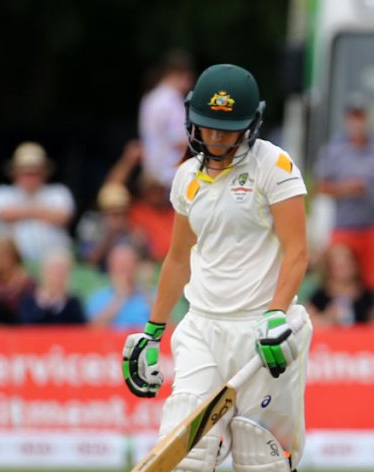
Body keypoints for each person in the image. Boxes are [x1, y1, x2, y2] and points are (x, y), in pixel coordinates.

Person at [121, 64, 311, 472]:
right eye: (208, 127)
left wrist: (277, 314)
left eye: (228, 128)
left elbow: (297, 251)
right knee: (185, 452)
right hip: (202, 328)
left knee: (263, 459)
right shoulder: (186, 176)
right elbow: (177, 258)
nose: (216, 137)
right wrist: (152, 332)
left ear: (251, 124)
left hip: (265, 330)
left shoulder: (273, 166)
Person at [315, 94, 374, 293]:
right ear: (347, 120)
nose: (358, 121)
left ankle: (371, 320)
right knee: (339, 278)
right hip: (344, 227)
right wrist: (346, 189)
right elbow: (320, 187)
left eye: (361, 116)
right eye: (354, 116)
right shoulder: (333, 151)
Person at [0, 142, 75, 264]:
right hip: (12, 266)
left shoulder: (59, 191)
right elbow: (3, 214)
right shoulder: (1, 192)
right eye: (25, 172)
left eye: (35, 172)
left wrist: (21, 212)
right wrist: (42, 212)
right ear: (15, 172)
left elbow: (63, 217)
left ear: (44, 172)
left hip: (52, 263)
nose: (30, 177)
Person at [138, 50, 194, 188]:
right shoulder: (171, 100)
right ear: (178, 74)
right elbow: (180, 140)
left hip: (151, 172)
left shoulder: (151, 97)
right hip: (170, 174)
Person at [76, 182, 151, 269]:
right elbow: (89, 262)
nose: (119, 218)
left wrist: (140, 244)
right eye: (113, 213)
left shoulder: (130, 227)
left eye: (122, 213)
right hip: (98, 275)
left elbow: (147, 259)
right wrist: (110, 235)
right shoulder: (90, 224)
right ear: (103, 211)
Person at [306, 243, 374, 327]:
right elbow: (309, 322)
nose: (343, 269)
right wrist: (327, 317)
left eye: (347, 263)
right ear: (329, 268)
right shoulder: (319, 296)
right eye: (338, 266)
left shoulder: (367, 296)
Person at [86, 244, 152, 329]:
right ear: (111, 269)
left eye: (128, 264)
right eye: (120, 265)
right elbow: (92, 329)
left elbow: (168, 328)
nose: (124, 270)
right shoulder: (99, 297)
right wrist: (119, 298)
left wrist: (146, 291)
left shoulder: (152, 294)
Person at [19, 248, 86, 325]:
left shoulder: (73, 303)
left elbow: (80, 330)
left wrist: (58, 303)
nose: (57, 275)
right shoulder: (28, 300)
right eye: (53, 270)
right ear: (44, 272)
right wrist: (46, 303)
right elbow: (24, 326)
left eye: (61, 271)